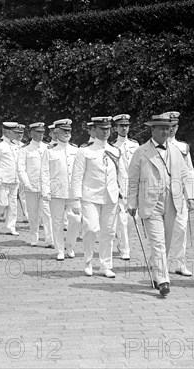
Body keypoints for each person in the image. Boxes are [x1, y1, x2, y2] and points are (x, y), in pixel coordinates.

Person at [126, 113, 194, 296]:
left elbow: (186, 174)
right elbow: (132, 180)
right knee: (158, 242)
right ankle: (164, 280)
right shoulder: (141, 152)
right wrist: (131, 201)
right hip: (150, 203)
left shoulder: (175, 151)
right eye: (162, 128)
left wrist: (190, 196)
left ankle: (157, 272)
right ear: (152, 130)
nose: (166, 131)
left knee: (166, 241)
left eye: (168, 128)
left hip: (172, 201)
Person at [71, 116, 126, 278]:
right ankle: (88, 261)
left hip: (111, 197)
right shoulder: (85, 151)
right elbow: (77, 176)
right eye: (102, 129)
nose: (105, 132)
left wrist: (125, 196)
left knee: (109, 232)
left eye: (108, 129)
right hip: (90, 197)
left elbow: (122, 175)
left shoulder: (115, 151)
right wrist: (75, 199)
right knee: (91, 228)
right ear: (93, 130)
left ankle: (105, 265)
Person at [41, 119, 80, 260]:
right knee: (57, 221)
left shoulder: (76, 150)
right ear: (56, 133)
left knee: (76, 219)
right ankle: (60, 249)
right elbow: (44, 172)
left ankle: (70, 245)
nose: (67, 133)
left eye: (69, 130)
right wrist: (45, 191)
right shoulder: (50, 151)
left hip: (73, 192)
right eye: (64, 131)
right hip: (56, 191)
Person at [165, 111, 194, 276]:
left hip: (179, 195)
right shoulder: (155, 146)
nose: (171, 129)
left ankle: (179, 263)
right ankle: (160, 261)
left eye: (174, 126)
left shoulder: (183, 147)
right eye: (168, 126)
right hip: (162, 195)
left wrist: (191, 195)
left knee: (181, 229)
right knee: (163, 230)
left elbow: (189, 172)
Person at [19, 122, 53, 247]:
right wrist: (27, 184)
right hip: (31, 187)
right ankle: (34, 237)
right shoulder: (25, 149)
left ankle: (50, 239)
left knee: (47, 213)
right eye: (38, 132)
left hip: (45, 186)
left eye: (42, 132)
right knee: (33, 214)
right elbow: (21, 169)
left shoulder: (48, 148)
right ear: (31, 133)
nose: (40, 135)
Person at [111, 113, 139, 261]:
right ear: (116, 128)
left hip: (134, 188)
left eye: (126, 126)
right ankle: (124, 249)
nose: (124, 128)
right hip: (120, 187)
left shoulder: (135, 145)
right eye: (121, 126)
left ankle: (123, 242)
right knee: (122, 219)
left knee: (131, 221)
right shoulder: (113, 147)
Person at [0, 122, 21, 235]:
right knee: (2, 203)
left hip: (14, 179)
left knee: (13, 205)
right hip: (2, 179)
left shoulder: (15, 145)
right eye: (14, 132)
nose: (16, 134)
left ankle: (11, 227)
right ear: (7, 132)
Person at [13, 124, 29, 222]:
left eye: (21, 133)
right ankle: (7, 215)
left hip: (22, 174)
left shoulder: (24, 146)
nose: (20, 135)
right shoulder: (9, 145)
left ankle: (26, 215)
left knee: (23, 195)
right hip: (12, 174)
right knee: (11, 196)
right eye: (17, 133)